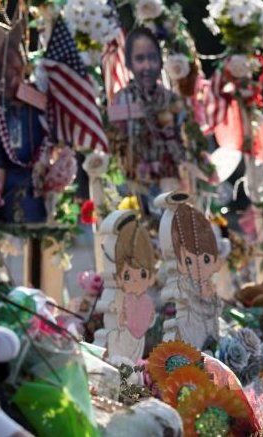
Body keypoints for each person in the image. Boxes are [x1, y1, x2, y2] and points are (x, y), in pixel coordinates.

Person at [0, 22, 49, 224]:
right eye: (3, 71)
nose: (12, 76)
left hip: (39, 187)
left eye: (15, 69)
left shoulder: (36, 99)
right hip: (10, 195)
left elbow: (51, 137)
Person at [109, 28, 187, 193]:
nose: (147, 66)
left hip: (171, 187)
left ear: (160, 60)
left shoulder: (172, 101)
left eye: (152, 58)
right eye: (139, 59)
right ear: (129, 63)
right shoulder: (120, 101)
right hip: (133, 189)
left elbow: (186, 146)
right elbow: (114, 151)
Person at [168, 202, 222, 349]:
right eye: (188, 260)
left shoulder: (209, 289)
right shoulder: (182, 289)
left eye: (206, 259)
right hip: (190, 337)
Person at [104, 215, 157, 361]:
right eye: (127, 276)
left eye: (142, 274)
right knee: (116, 342)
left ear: (151, 277)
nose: (135, 281)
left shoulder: (145, 300)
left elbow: (150, 319)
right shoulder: (123, 297)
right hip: (125, 338)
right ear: (119, 278)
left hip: (138, 339)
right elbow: (120, 319)